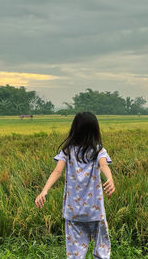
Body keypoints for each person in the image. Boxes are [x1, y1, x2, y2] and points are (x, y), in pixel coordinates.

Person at [35, 111, 115, 259]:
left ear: (75, 129)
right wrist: (110, 179)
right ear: (95, 130)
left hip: (73, 211)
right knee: (102, 249)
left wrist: (44, 190)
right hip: (95, 210)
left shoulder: (67, 151)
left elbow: (57, 172)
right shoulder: (99, 150)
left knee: (75, 254)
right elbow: (104, 166)